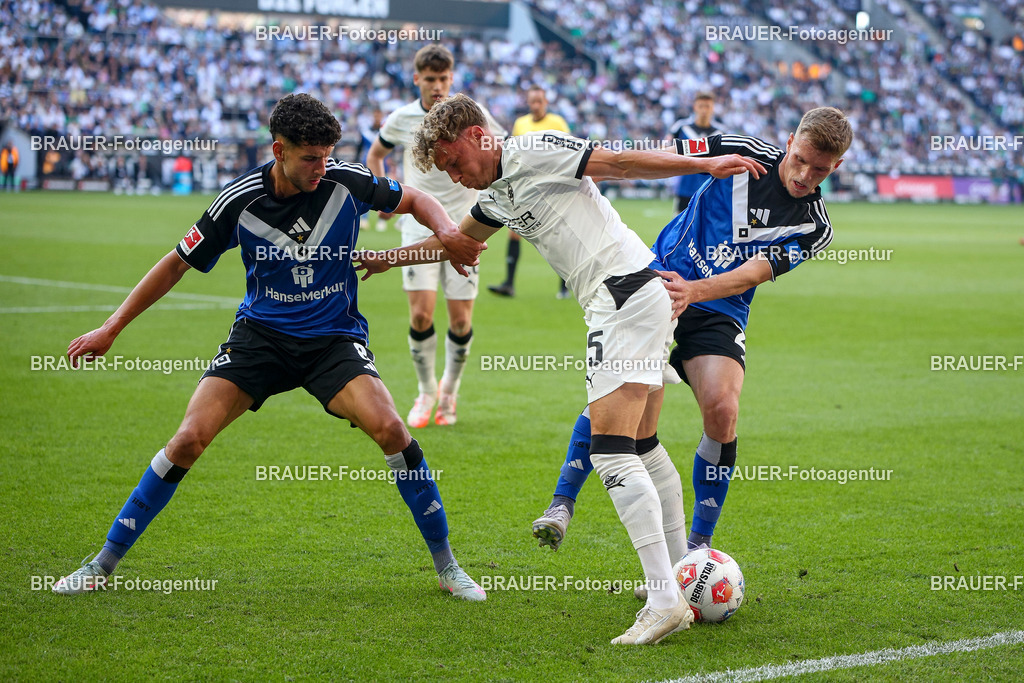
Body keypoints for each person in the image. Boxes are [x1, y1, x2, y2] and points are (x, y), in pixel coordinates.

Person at [356, 93, 766, 644]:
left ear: (479, 137)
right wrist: (387, 258)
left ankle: (664, 600)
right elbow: (458, 240)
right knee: (641, 446)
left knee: (610, 449)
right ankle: (676, 579)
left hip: (621, 294)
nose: (455, 175)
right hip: (636, 294)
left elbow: (619, 162)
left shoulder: (531, 149)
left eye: (455, 162)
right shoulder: (497, 191)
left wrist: (704, 165)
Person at [52, 93, 487, 601]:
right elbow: (175, 263)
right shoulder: (239, 201)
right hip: (260, 340)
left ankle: (448, 566)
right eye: (310, 158)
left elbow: (413, 199)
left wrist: (448, 231)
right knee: (189, 439)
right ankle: (101, 564)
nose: (322, 168)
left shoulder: (345, 180)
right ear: (278, 149)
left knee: (392, 428)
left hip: (332, 339)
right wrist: (111, 328)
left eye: (328, 155)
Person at [533, 108, 853, 573]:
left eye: (819, 169)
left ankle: (696, 551)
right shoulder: (740, 150)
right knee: (624, 395)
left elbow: (753, 273)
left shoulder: (814, 226)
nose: (805, 175)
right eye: (800, 159)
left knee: (723, 409)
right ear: (790, 140)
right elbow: (670, 156)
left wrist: (696, 292)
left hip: (718, 308)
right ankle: (562, 504)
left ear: (836, 167)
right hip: (658, 284)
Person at [366, 45, 505, 429]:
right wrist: (385, 193)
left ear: (452, 78)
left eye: (444, 78)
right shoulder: (402, 117)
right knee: (421, 313)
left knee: (460, 322)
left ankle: (450, 393)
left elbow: (499, 152)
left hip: (465, 229)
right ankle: (426, 390)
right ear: (417, 79)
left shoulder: (473, 116)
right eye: (430, 79)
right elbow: (376, 152)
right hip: (417, 227)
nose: (438, 86)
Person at [488, 85, 572, 299]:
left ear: (546, 103)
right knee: (513, 232)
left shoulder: (557, 123)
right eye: (532, 101)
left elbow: (569, 152)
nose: (535, 105)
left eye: (539, 101)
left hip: (550, 186)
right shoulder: (521, 123)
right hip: (524, 187)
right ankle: (509, 283)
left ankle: (565, 285)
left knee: (558, 234)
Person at [667, 92, 725, 214]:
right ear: (695, 107)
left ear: (713, 108)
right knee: (680, 227)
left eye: (707, 106)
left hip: (710, 188)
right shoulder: (681, 127)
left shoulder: (721, 132)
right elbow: (664, 148)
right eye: (701, 106)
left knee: (708, 228)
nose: (704, 110)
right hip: (685, 187)